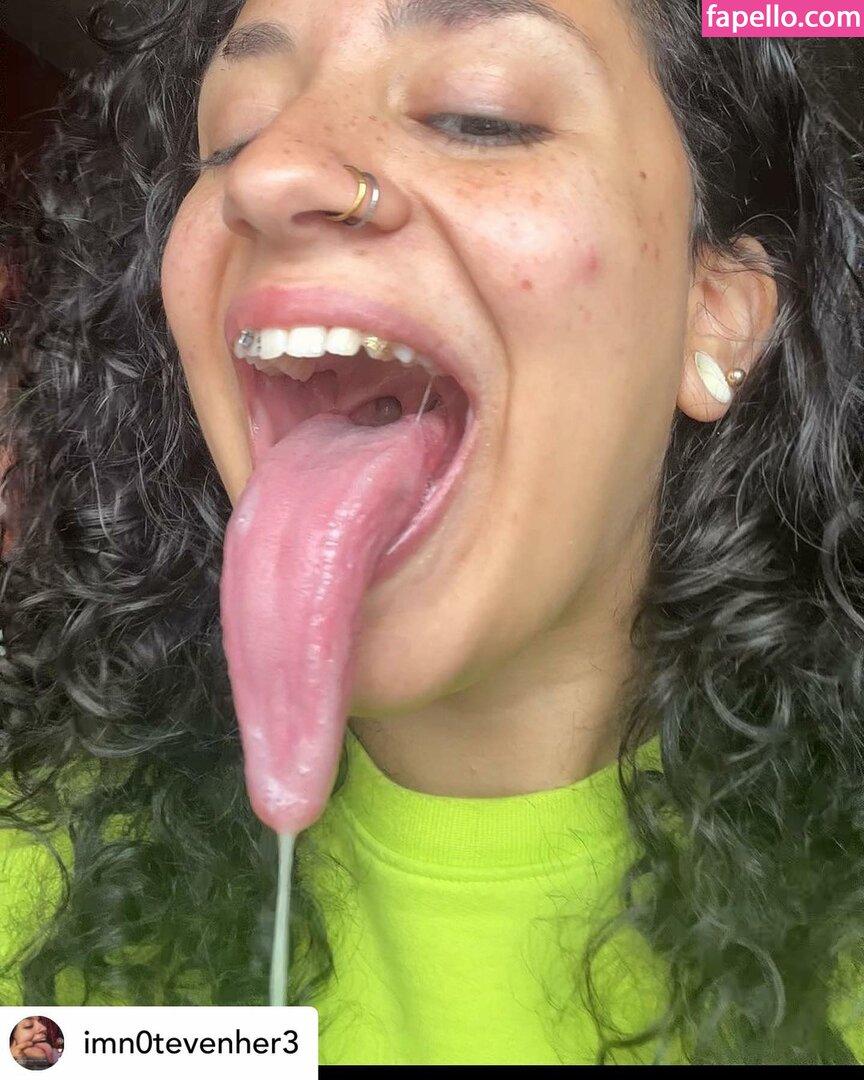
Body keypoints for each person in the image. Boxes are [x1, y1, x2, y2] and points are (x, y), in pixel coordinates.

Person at [0, 0, 862, 1066]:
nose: (266, 175)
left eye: (477, 114)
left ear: (715, 315)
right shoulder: (30, 895)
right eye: (228, 140)